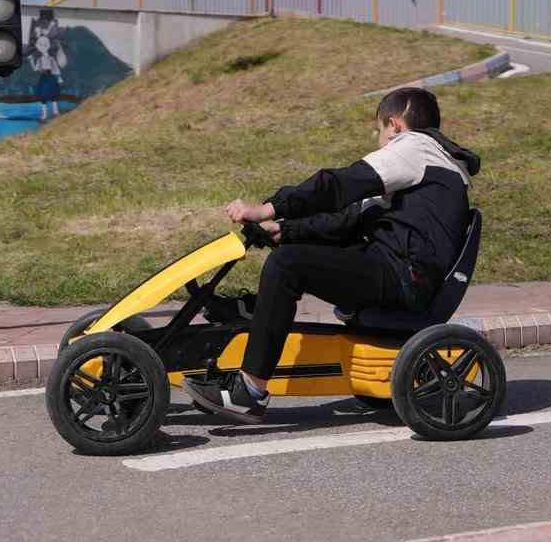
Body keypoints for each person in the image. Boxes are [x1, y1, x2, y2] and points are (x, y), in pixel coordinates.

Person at [185, 86, 480, 424]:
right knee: (293, 255)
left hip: (403, 277)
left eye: (379, 130)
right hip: (398, 269)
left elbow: (339, 184)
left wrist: (267, 207)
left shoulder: (414, 149)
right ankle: (248, 312)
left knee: (288, 265)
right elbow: (349, 220)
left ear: (395, 124)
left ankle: (250, 391)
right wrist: (284, 228)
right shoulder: (426, 167)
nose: (378, 138)